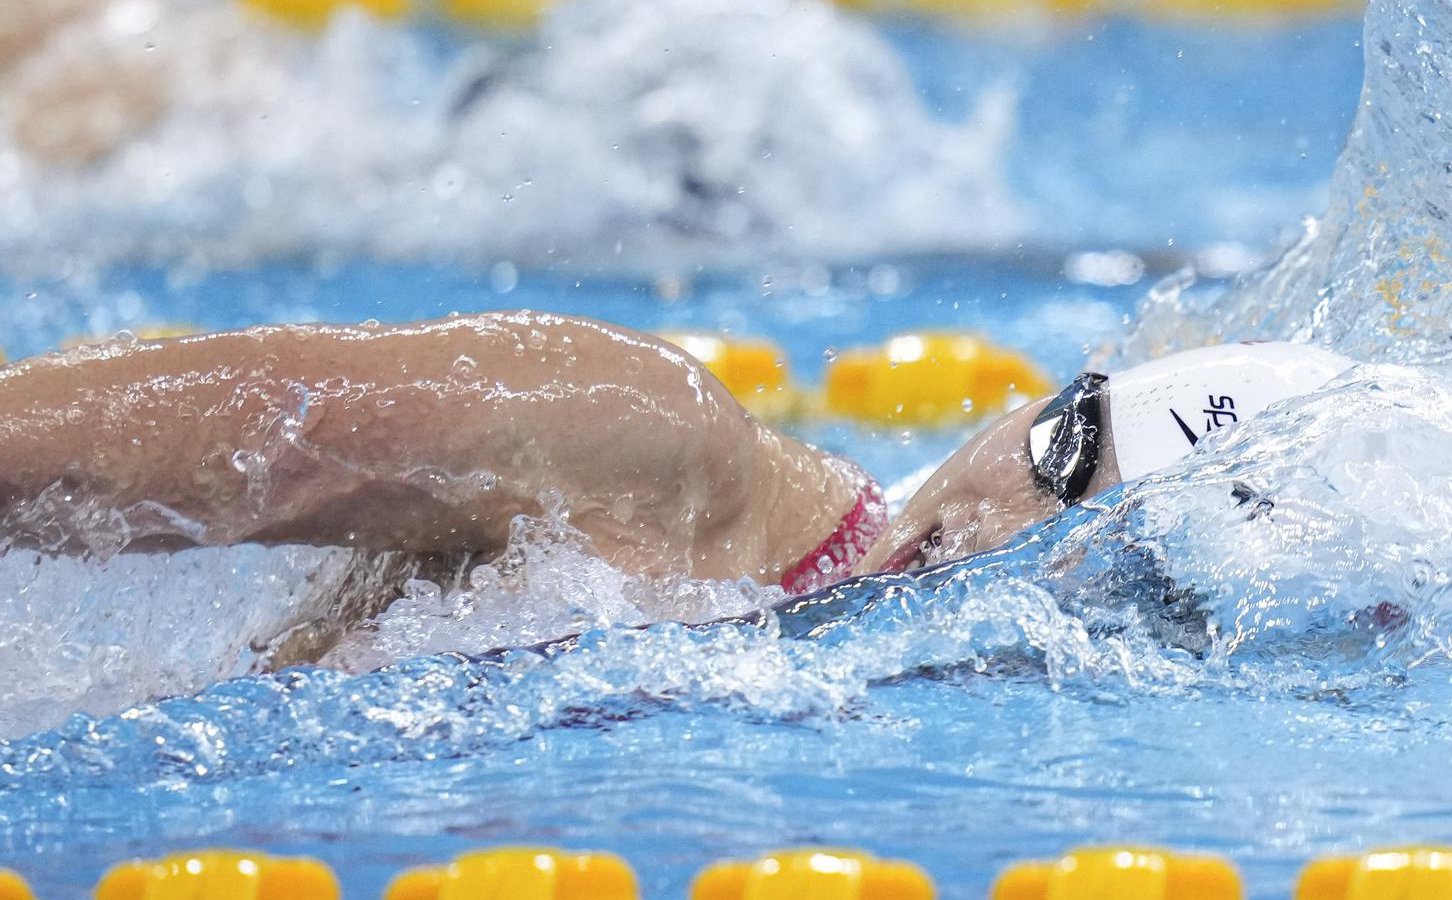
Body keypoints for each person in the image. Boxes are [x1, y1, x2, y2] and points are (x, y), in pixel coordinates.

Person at [0, 311, 1351, 659]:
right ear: (1034, 399)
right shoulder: (666, 442)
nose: (1010, 535)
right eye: (1064, 452)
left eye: (1113, 565)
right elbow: (254, 424)